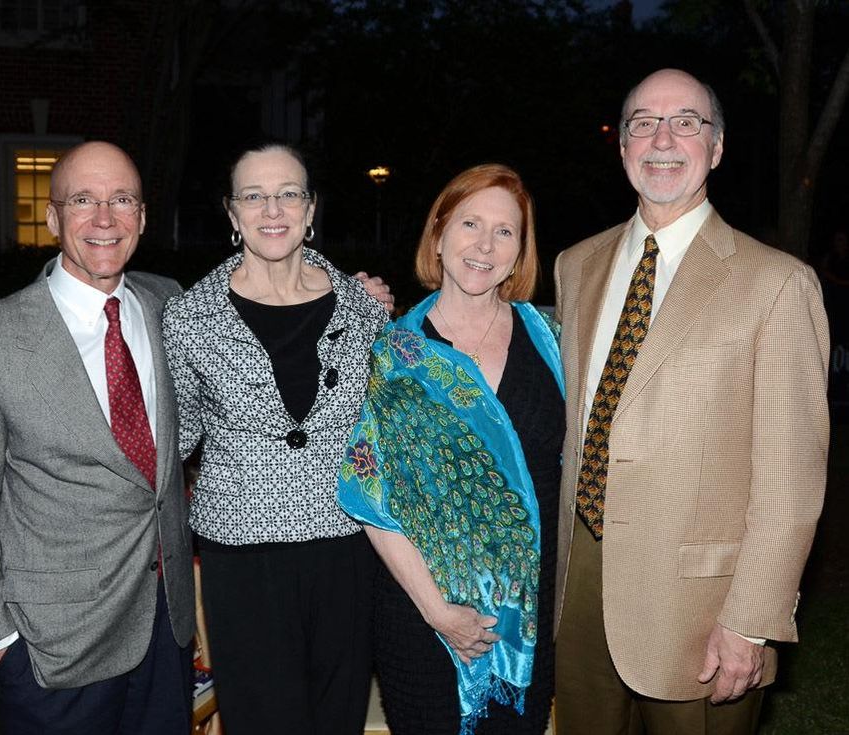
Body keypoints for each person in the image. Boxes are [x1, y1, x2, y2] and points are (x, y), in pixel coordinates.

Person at [553, 68, 829, 734]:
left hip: (701, 605)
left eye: (687, 121)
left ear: (718, 147)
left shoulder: (777, 284)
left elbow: (792, 480)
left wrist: (750, 619)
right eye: (643, 122)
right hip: (578, 581)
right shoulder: (576, 266)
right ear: (622, 148)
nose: (663, 139)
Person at [0, 141, 196, 734]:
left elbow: (257, 329)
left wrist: (347, 296)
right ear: (51, 219)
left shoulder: (169, 303)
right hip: (54, 650)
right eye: (83, 200)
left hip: (166, 629)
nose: (105, 218)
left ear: (143, 218)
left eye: (122, 199)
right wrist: (0, 645)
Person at [161, 142, 391, 735]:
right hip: (243, 558)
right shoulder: (189, 319)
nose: (273, 210)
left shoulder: (365, 309)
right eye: (254, 196)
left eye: (289, 193)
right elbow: (178, 436)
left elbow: (389, 426)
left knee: (338, 715)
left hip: (349, 548)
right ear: (232, 214)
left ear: (311, 209)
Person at [339, 163, 564, 735]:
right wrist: (440, 614)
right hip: (422, 620)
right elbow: (369, 495)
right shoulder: (391, 352)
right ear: (438, 236)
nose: (485, 245)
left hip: (528, 622)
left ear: (520, 250)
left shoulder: (553, 338)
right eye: (469, 223)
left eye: (505, 231)